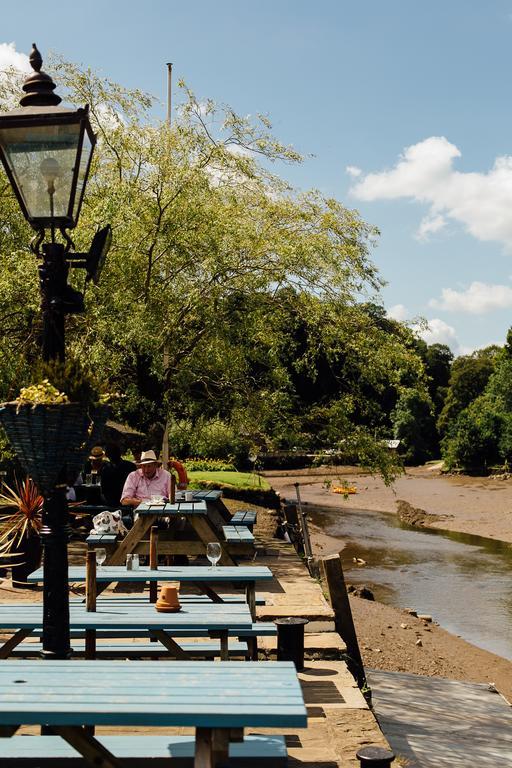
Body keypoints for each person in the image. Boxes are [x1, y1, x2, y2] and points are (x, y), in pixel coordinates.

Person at [101, 444, 136, 508]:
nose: (111, 457)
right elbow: (103, 490)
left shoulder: (130, 466)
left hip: (127, 502)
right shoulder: (105, 469)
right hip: (112, 503)